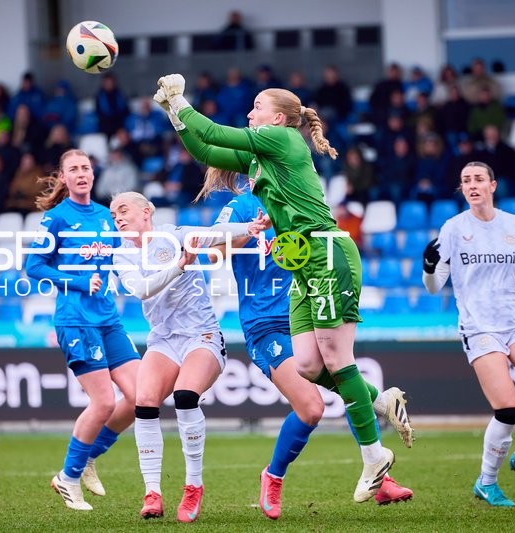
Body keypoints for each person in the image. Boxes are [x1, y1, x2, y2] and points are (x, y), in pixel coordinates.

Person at [153, 74, 398, 503]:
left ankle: (375, 457)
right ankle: (377, 400)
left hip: (324, 252)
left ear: (279, 118)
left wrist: (182, 98)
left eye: (257, 106)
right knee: (307, 364)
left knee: (337, 361)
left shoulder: (283, 141)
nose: (250, 113)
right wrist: (174, 114)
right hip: (305, 270)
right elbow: (205, 148)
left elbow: (211, 131)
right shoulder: (261, 158)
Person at [200, 170, 414, 518]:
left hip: (309, 309)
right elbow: (213, 250)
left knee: (342, 375)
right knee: (312, 407)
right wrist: (247, 233)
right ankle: (273, 475)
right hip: (265, 323)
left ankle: (380, 476)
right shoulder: (241, 207)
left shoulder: (297, 204)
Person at [108, 191, 265, 522]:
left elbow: (214, 234)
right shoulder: (121, 255)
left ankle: (193, 485)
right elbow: (140, 289)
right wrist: (179, 266)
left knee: (184, 396)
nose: (117, 217)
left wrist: (249, 228)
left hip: (201, 335)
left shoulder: (174, 234)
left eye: (123, 210)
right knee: (144, 401)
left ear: (146, 211)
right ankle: (153, 492)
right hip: (163, 340)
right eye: (113, 214)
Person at [422, 161, 515, 507]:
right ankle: (486, 482)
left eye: (478, 179)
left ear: (493, 185)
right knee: (507, 409)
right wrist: (428, 267)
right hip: (479, 325)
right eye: (465, 181)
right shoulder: (454, 228)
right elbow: (433, 287)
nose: (472, 185)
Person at [25, 149, 141, 512]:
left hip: (108, 318)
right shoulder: (55, 219)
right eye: (73, 169)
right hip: (76, 319)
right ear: (63, 177)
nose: (81, 174)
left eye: (86, 168)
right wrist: (76, 281)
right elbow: (33, 267)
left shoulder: (106, 217)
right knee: (104, 401)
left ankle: (89, 456)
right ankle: (68, 477)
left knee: (141, 396)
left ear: (93, 175)